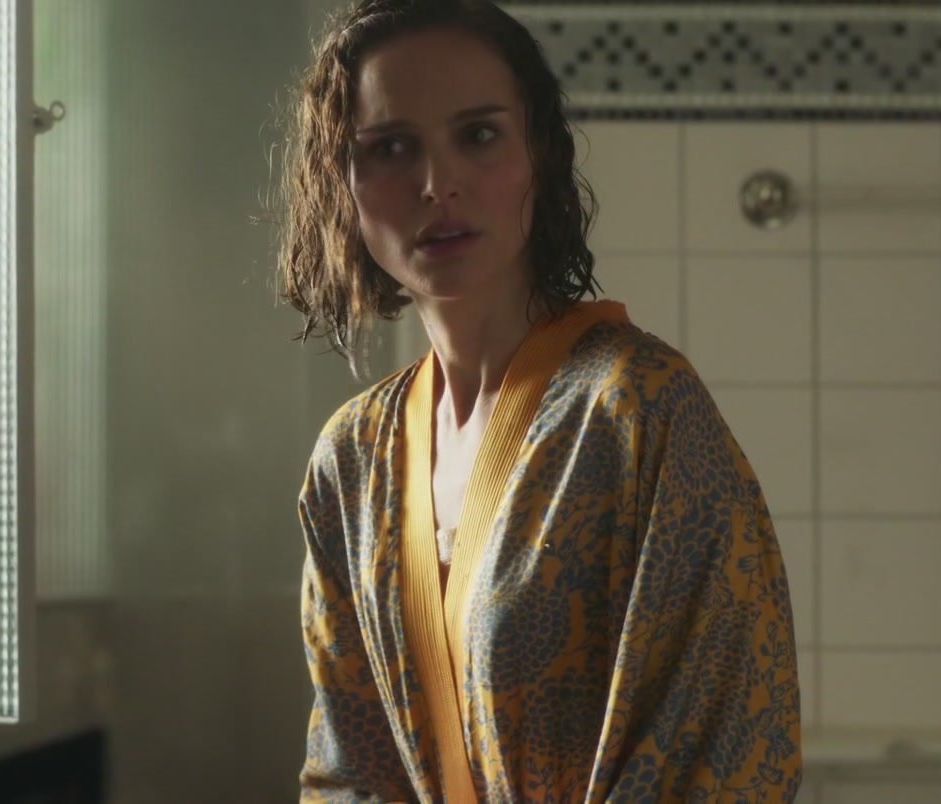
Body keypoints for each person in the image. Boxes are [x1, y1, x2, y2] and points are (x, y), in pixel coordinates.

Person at [273, 0, 802, 801]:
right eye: (390, 149)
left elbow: (720, 746)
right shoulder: (351, 461)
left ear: (540, 155)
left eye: (478, 135)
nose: (437, 184)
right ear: (339, 185)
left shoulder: (637, 411)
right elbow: (345, 771)